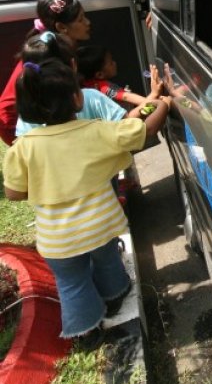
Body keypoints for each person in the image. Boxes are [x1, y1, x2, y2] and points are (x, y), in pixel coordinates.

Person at [2, 59, 169, 349]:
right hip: (100, 226)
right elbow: (143, 132)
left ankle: (86, 331)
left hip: (57, 240)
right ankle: (115, 294)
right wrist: (163, 104)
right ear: (77, 98)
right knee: (106, 261)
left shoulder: (24, 148)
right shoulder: (95, 130)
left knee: (71, 283)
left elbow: (15, 193)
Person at [13, 32, 167, 137]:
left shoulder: (28, 113)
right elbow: (129, 122)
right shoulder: (89, 97)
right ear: (73, 65)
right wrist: (155, 102)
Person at [0, 0, 90, 145]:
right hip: (16, 127)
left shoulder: (55, 47)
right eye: (81, 19)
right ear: (61, 27)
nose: (88, 22)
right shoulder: (49, 55)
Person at [76, 45, 163, 108]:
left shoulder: (85, 85)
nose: (114, 63)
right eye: (110, 63)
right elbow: (125, 96)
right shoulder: (104, 87)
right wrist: (152, 99)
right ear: (100, 75)